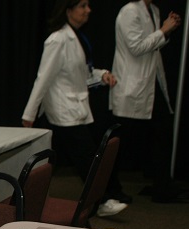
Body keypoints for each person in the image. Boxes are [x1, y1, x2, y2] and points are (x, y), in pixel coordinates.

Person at [21, 0, 126, 217]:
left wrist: (101, 75)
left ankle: (26, 198)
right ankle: (103, 201)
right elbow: (43, 79)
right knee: (86, 157)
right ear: (68, 10)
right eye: (83, 6)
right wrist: (29, 114)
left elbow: (81, 74)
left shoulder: (76, 37)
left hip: (73, 108)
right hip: (64, 110)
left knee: (58, 157)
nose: (88, 10)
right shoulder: (58, 40)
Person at [110, 0, 182, 203]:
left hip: (152, 82)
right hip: (132, 85)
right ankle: (108, 189)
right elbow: (136, 47)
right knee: (121, 141)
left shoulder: (155, 10)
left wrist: (166, 32)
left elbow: (155, 44)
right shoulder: (129, 11)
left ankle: (162, 185)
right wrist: (163, 30)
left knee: (162, 131)